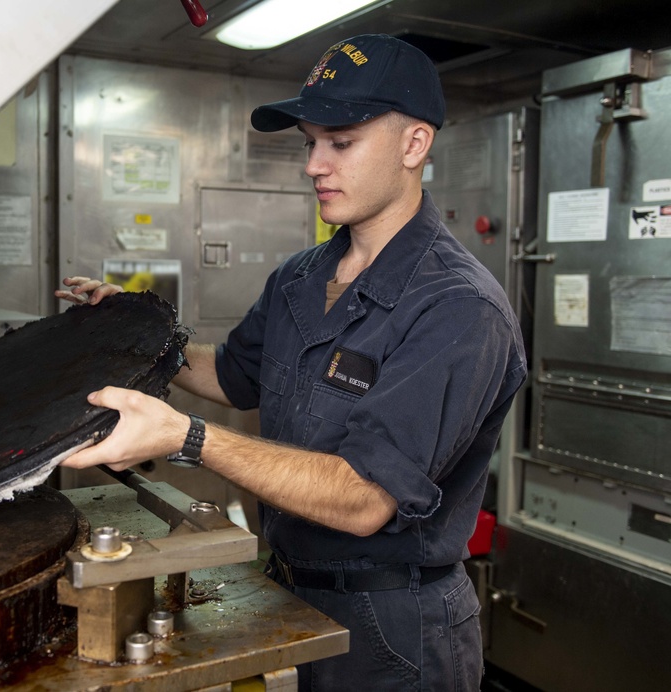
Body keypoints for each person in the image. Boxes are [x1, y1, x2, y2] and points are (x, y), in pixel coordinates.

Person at [55, 33, 526, 691]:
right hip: (296, 593)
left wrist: (185, 438)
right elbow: (230, 375)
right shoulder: (302, 276)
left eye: (341, 142)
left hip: (394, 628)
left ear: (415, 145)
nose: (313, 165)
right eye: (310, 142)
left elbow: (364, 498)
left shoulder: (458, 307)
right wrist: (128, 334)